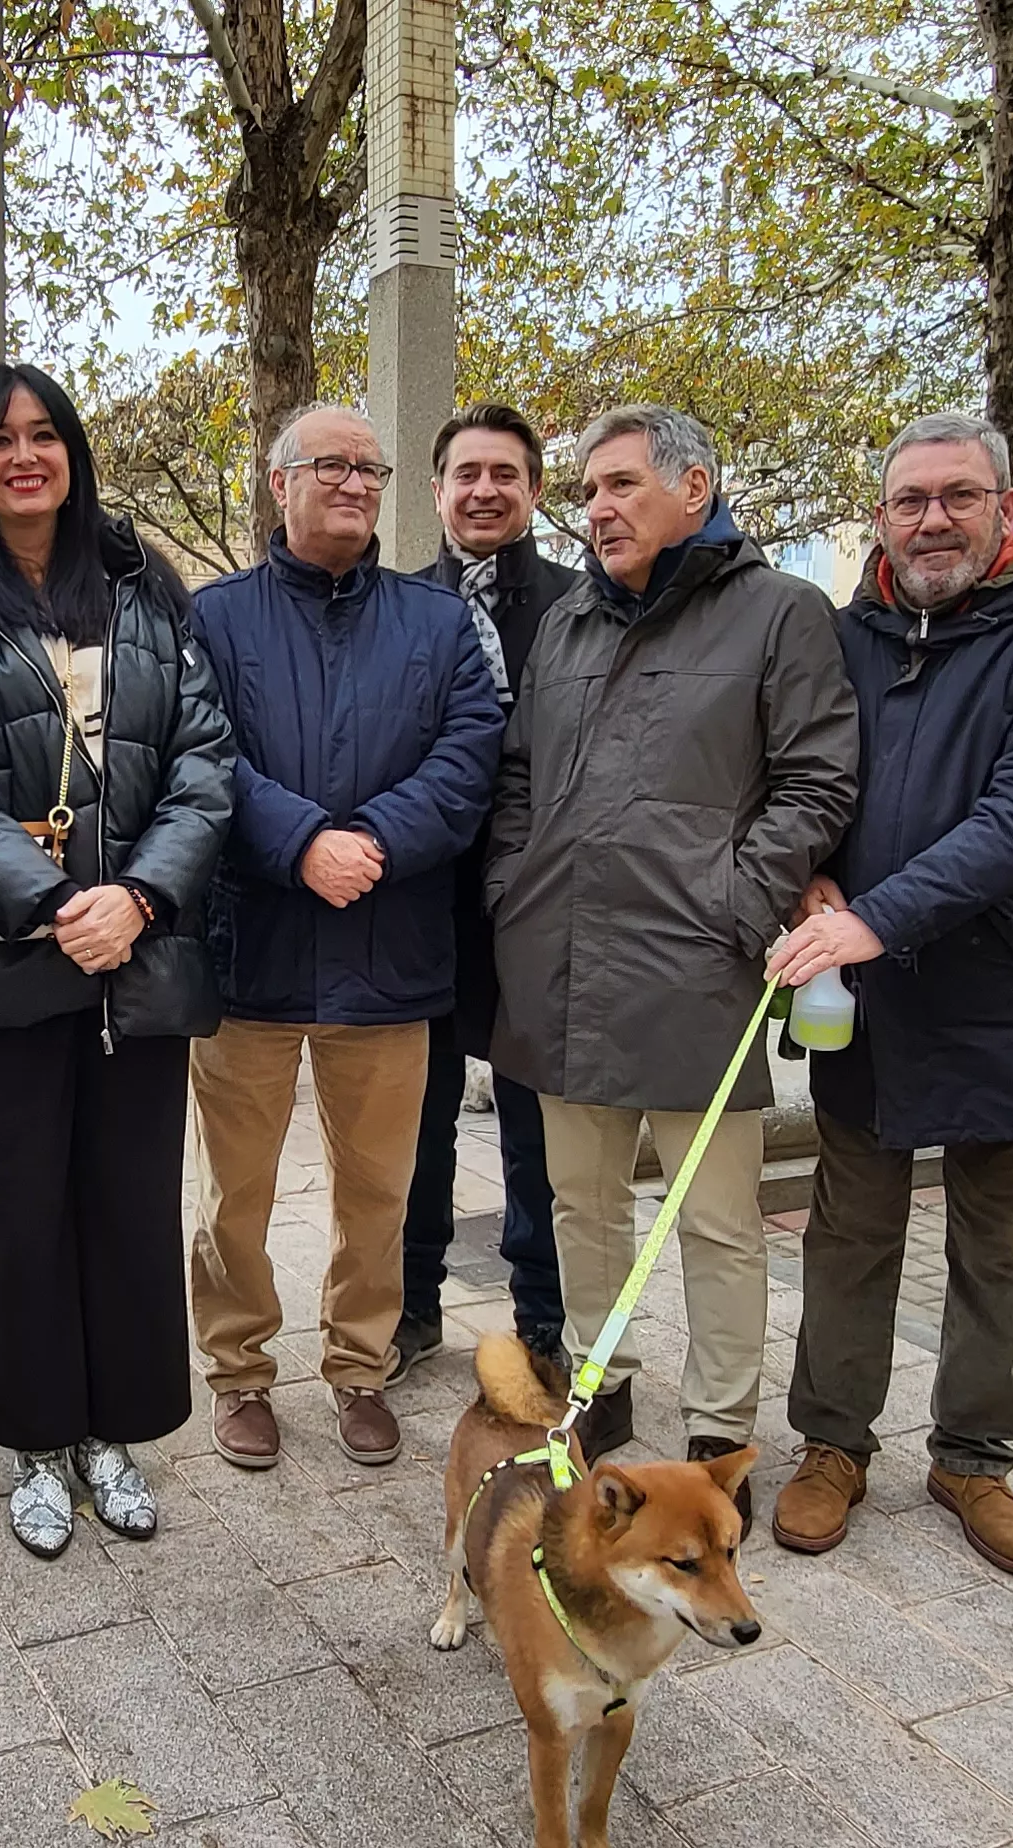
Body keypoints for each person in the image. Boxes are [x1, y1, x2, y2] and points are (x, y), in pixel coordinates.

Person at [0, 362, 234, 1560]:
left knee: (131, 1205)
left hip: (142, 952)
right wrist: (52, 902)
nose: (23, 456)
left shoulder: (142, 588)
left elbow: (203, 760)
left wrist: (135, 896)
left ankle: (115, 1432)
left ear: (72, 452)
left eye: (43, 435)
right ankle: (36, 1441)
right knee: (21, 1207)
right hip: (7, 958)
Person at [768, 409, 1013, 1574]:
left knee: (1002, 1246)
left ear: (1004, 509)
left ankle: (974, 1457)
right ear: (880, 518)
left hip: (1005, 993)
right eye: (910, 500)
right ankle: (832, 1445)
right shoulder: (839, 634)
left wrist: (874, 917)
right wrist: (815, 870)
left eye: (957, 497)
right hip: (865, 1003)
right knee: (847, 1232)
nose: (932, 519)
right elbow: (800, 773)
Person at [487, 402, 858, 1514]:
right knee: (580, 1202)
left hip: (701, 967)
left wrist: (733, 902)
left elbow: (818, 781)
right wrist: (513, 890)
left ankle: (718, 1431)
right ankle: (602, 1384)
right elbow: (517, 781)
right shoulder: (565, 626)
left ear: (693, 489)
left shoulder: (781, 615)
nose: (594, 509)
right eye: (588, 492)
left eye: (619, 486)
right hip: (558, 961)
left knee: (714, 1221)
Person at [184, 404, 501, 1472]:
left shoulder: (437, 622)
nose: (355, 485)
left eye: (370, 469)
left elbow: (468, 762)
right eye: (330, 466)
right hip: (251, 957)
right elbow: (198, 757)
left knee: (380, 1192)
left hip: (388, 951)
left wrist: (368, 840)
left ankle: (360, 1368)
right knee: (238, 1194)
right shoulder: (213, 619)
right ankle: (238, 1371)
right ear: (279, 483)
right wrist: (301, 841)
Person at [400, 403, 578, 1374]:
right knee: (417, 1122)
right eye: (465, 474)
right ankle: (411, 1304)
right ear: (436, 491)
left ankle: (542, 1321)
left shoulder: (576, 606)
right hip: (422, 902)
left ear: (534, 490)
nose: (483, 491)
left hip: (536, 908)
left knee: (533, 1133)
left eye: (504, 474)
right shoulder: (396, 608)